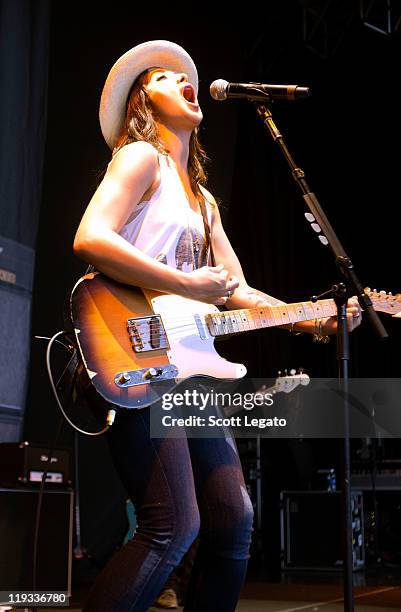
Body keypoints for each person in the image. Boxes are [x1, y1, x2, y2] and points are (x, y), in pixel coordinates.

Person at [73, 40, 362, 612]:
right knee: (172, 525)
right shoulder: (139, 158)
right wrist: (183, 284)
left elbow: (235, 290)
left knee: (232, 521)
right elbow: (90, 238)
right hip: (137, 350)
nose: (185, 80)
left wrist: (312, 321)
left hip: (192, 368)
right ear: (142, 103)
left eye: (187, 75)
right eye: (164, 77)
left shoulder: (203, 200)